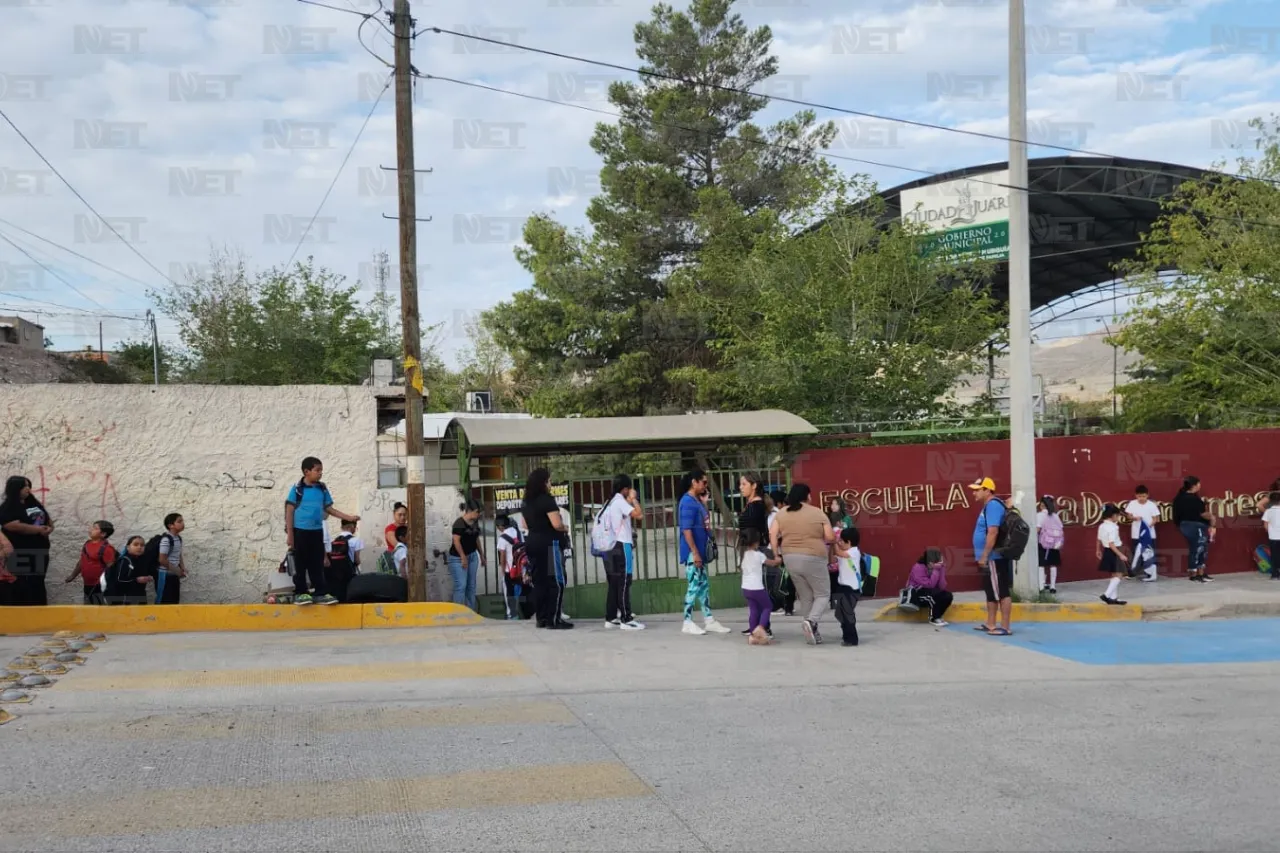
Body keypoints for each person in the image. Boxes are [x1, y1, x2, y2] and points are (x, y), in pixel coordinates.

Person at [285, 456, 360, 606]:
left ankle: (320, 592)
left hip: (316, 531)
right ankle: (301, 592)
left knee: (317, 563)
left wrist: (349, 517)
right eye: (317, 470)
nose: (320, 473)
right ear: (307, 471)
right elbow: (289, 511)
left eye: (321, 471)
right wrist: (290, 535)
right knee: (300, 563)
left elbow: (329, 508)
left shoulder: (322, 488)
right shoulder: (297, 489)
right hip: (300, 531)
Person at [771, 482, 836, 645]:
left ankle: (811, 632)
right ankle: (812, 621)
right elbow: (829, 537)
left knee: (806, 596)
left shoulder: (782, 513)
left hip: (789, 557)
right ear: (807, 496)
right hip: (813, 556)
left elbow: (772, 534)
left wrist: (776, 554)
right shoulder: (817, 513)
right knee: (822, 594)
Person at [678, 469, 730, 636]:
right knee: (693, 587)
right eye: (704, 482)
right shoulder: (687, 502)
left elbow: (704, 522)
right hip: (693, 553)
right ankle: (687, 621)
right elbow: (686, 530)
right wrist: (695, 553)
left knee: (703, 587)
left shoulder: (697, 501)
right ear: (694, 482)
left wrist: (705, 503)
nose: (706, 486)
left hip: (699, 551)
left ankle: (709, 619)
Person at [523, 468, 572, 629]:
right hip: (549, 545)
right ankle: (554, 619)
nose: (551, 484)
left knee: (539, 582)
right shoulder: (547, 500)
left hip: (532, 543)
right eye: (549, 481)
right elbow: (556, 524)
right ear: (543, 482)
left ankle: (541, 618)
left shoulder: (526, 502)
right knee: (555, 581)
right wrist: (564, 527)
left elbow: (524, 524)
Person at [597, 473, 645, 630]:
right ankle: (626, 618)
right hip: (621, 544)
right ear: (625, 489)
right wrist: (635, 499)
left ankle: (611, 617)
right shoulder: (619, 501)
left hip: (609, 547)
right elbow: (639, 515)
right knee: (624, 581)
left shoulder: (609, 502)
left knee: (614, 583)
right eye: (629, 489)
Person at [0, 475, 53, 606]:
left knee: (37, 581)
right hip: (21, 551)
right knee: (21, 582)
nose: (27, 489)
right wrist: (38, 530)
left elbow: (46, 518)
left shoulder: (33, 503)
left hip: (40, 551)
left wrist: (50, 528)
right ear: (15, 489)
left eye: (29, 486)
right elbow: (11, 525)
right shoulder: (8, 507)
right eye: (24, 486)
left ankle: (38, 609)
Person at [970, 477, 1012, 636]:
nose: (974, 493)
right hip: (989, 557)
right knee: (991, 591)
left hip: (993, 557)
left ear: (987, 490)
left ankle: (1005, 627)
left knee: (1002, 592)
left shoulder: (993, 506)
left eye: (977, 490)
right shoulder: (988, 506)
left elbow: (993, 532)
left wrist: (985, 556)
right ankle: (991, 623)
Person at [740, 527, 780, 645]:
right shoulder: (758, 555)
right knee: (768, 606)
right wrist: (778, 559)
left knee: (753, 609)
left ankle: (753, 634)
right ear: (756, 542)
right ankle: (761, 628)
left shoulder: (743, 555)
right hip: (757, 587)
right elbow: (772, 563)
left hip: (746, 587)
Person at [1172, 475, 1215, 583]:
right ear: (1194, 486)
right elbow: (1202, 514)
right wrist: (1212, 519)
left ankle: (1197, 573)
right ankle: (1197, 574)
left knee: (1196, 548)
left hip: (1184, 525)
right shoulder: (1193, 499)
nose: (1200, 485)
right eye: (1199, 483)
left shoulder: (1178, 498)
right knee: (1200, 548)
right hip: (1196, 526)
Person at [64, 520, 116, 605]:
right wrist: (73, 575)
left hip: (99, 586)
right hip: (87, 584)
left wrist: (109, 587)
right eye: (92, 527)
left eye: (95, 528)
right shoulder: (87, 544)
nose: (91, 529)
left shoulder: (107, 548)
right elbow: (82, 562)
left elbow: (111, 568)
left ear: (103, 534)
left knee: (99, 610)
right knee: (88, 608)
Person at [449, 500, 485, 612]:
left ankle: (471, 612)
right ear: (469, 511)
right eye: (477, 512)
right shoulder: (459, 524)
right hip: (458, 558)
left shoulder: (475, 522)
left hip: (472, 556)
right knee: (461, 585)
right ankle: (458, 612)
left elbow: (476, 539)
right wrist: (463, 557)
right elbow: (456, 541)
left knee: (471, 585)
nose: (479, 514)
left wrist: (481, 555)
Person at [905, 547, 953, 626]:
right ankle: (934, 618)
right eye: (939, 561)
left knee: (948, 596)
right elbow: (929, 585)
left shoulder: (938, 567)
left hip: (930, 591)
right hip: (917, 593)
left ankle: (938, 617)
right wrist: (936, 570)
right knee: (934, 596)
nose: (941, 563)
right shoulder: (918, 568)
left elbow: (942, 586)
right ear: (930, 562)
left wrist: (942, 570)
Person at [831, 527, 862, 647]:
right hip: (842, 587)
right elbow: (832, 559)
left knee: (847, 614)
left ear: (849, 542)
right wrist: (832, 546)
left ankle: (852, 639)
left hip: (851, 588)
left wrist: (833, 542)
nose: (839, 543)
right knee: (839, 613)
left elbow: (839, 553)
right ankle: (846, 636)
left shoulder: (854, 552)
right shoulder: (845, 552)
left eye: (841, 541)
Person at [1123, 485, 1161, 582]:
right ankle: (1133, 573)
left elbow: (1156, 519)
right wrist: (1134, 518)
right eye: (1139, 496)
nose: (1142, 498)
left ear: (1147, 495)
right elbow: (1128, 516)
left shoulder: (1151, 505)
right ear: (1136, 495)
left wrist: (1149, 526)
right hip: (1136, 534)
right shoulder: (1132, 504)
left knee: (1149, 554)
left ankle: (1151, 574)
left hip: (1149, 535)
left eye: (1144, 496)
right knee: (1136, 554)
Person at [104, 535, 152, 605]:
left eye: (142, 545)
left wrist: (148, 577)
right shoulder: (125, 560)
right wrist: (137, 580)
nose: (139, 547)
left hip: (139, 594)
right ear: (128, 547)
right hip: (125, 597)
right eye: (136, 544)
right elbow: (120, 580)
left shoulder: (142, 559)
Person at [1097, 504, 1130, 605]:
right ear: (1113, 515)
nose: (1118, 517)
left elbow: (1098, 539)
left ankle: (1113, 598)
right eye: (1117, 515)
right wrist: (1121, 555)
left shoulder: (1102, 525)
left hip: (1107, 550)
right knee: (1119, 575)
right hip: (1115, 550)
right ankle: (1106, 595)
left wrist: (1097, 550)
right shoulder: (1113, 527)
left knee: (1114, 574)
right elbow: (1112, 544)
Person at [496, 514, 527, 620]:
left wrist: (503, 571)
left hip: (509, 570)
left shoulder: (503, 538)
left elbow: (502, 556)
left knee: (508, 592)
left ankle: (511, 614)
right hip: (521, 568)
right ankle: (518, 612)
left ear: (499, 526)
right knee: (518, 590)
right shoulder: (518, 533)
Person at [155, 513, 187, 605]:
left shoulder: (178, 538)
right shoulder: (166, 540)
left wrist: (182, 568)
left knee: (174, 601)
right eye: (179, 521)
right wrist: (177, 570)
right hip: (164, 576)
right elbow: (162, 560)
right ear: (170, 525)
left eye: (182, 521)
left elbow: (178, 554)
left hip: (174, 575)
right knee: (164, 601)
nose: (183, 523)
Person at [326, 519, 361, 602]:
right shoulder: (356, 540)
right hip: (348, 572)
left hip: (334, 572)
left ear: (341, 527)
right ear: (352, 527)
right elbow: (357, 560)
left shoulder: (333, 541)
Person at [1036, 496, 1064, 593]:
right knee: (1053, 565)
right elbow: (1061, 528)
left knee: (1041, 565)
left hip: (1043, 543)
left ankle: (1041, 586)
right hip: (1055, 544)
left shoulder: (1039, 515)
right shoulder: (1055, 516)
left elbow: (1038, 529)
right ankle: (1053, 587)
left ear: (1042, 505)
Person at [1261, 491, 1280, 580]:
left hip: (1273, 537)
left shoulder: (1268, 511)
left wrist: (1270, 531)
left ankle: (1275, 574)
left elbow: (1265, 524)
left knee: (1274, 555)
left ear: (1270, 501)